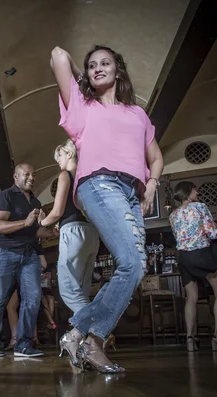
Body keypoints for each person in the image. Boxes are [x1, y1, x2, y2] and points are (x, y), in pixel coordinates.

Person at [50, 45, 163, 373]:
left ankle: (83, 338)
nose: (98, 68)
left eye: (105, 63)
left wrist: (152, 182)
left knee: (136, 267)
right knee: (130, 262)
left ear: (118, 69)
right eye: (91, 65)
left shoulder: (138, 114)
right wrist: (81, 75)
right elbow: (58, 55)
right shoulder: (83, 106)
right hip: (98, 184)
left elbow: (155, 157)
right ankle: (87, 336)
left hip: (132, 192)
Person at [0, 163, 58, 358]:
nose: (31, 178)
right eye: (26, 174)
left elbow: (35, 231)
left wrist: (52, 232)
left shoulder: (36, 203)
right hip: (3, 253)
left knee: (32, 299)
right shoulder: (5, 196)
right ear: (16, 177)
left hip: (28, 255)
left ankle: (23, 345)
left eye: (33, 174)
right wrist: (26, 221)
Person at [169, 181, 217, 352]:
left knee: (191, 297)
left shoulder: (173, 214)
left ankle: (190, 339)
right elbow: (215, 234)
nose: (197, 192)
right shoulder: (200, 207)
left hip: (183, 258)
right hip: (201, 254)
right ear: (189, 191)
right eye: (195, 189)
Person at [38, 139, 100, 314]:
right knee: (82, 289)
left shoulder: (66, 175)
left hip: (73, 233)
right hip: (92, 233)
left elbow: (56, 212)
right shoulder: (89, 177)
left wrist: (41, 222)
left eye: (60, 156)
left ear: (70, 154)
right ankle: (85, 337)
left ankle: (98, 330)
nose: (57, 160)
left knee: (68, 290)